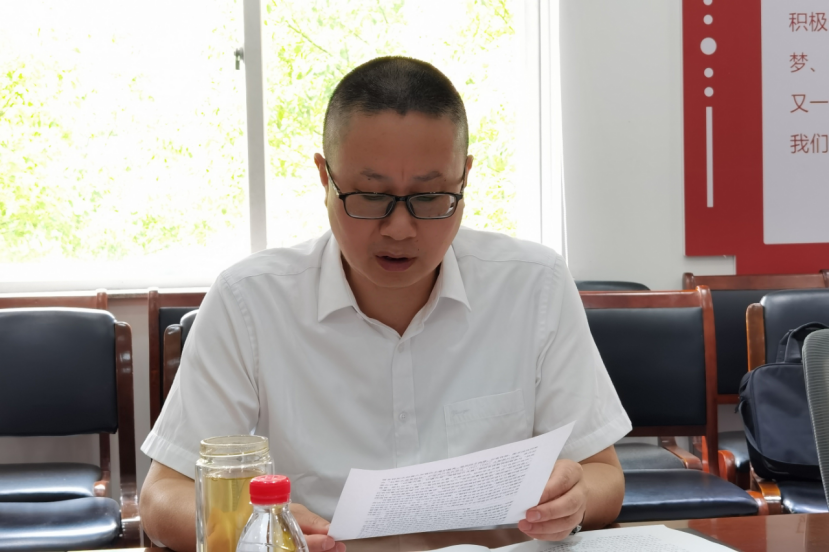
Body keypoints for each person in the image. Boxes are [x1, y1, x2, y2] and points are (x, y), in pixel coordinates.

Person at [139, 56, 631, 552]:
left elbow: (603, 475)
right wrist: (261, 528)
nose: (399, 229)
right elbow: (162, 497)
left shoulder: (534, 286)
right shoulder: (250, 301)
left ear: (464, 177)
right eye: (370, 196)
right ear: (325, 178)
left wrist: (575, 499)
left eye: (430, 196)